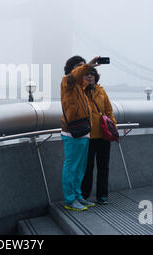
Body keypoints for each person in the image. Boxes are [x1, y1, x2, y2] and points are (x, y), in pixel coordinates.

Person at [61, 55, 101, 211]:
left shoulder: (80, 86)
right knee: (71, 167)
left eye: (84, 66)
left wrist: (93, 74)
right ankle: (69, 200)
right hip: (72, 132)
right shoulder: (67, 81)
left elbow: (92, 86)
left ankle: (78, 196)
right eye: (79, 66)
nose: (83, 69)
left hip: (84, 131)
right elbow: (74, 76)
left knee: (80, 168)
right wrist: (87, 65)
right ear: (71, 69)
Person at [81, 67, 117, 205]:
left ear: (96, 77)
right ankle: (85, 195)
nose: (90, 77)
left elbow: (108, 110)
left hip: (103, 135)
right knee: (87, 167)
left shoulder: (101, 91)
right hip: (88, 136)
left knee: (103, 166)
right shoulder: (80, 92)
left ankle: (102, 195)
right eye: (86, 75)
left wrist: (113, 127)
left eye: (92, 75)